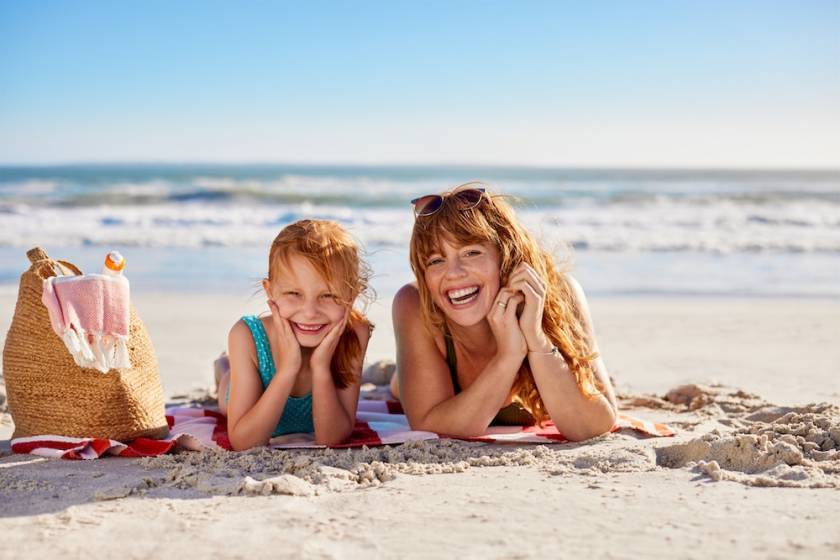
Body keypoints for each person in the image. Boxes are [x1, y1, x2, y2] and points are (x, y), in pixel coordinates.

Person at [391, 182, 618, 441]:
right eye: (436, 260)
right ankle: (396, 373)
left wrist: (535, 338)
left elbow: (593, 426)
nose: (453, 273)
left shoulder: (560, 294)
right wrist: (510, 355)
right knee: (399, 385)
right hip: (418, 371)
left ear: (507, 256)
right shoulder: (415, 304)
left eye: (471, 252)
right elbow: (429, 425)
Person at [217, 219, 373, 450]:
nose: (310, 313)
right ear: (270, 290)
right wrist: (288, 369)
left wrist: (321, 367)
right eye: (293, 293)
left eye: (328, 296)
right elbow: (244, 442)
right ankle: (223, 367)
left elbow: (331, 438)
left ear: (353, 294)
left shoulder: (355, 333)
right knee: (226, 381)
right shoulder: (247, 336)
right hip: (236, 391)